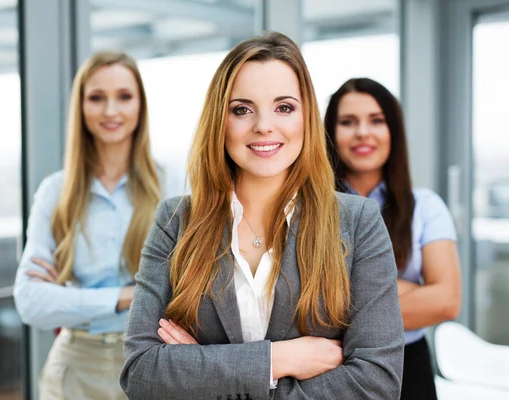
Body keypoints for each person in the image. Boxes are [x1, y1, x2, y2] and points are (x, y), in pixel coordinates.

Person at [120, 32, 403, 400]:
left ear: (307, 117)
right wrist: (276, 359)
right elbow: (142, 372)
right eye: (242, 109)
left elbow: (376, 383)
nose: (264, 126)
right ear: (219, 121)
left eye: (284, 107)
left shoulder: (358, 221)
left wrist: (202, 369)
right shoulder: (176, 220)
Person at [13, 51, 161, 400]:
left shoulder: (174, 187)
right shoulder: (55, 191)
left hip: (151, 362)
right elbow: (30, 301)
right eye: (97, 98)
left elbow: (191, 289)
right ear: (80, 107)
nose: (111, 111)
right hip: (74, 370)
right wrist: (130, 295)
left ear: (140, 105)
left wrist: (72, 297)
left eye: (124, 96)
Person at [324, 77, 462, 400]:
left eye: (377, 120)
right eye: (348, 122)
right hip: (329, 368)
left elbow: (446, 300)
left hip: (408, 367)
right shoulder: (310, 207)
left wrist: (344, 298)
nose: (362, 132)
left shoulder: (426, 206)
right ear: (330, 132)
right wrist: (405, 292)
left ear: (394, 132)